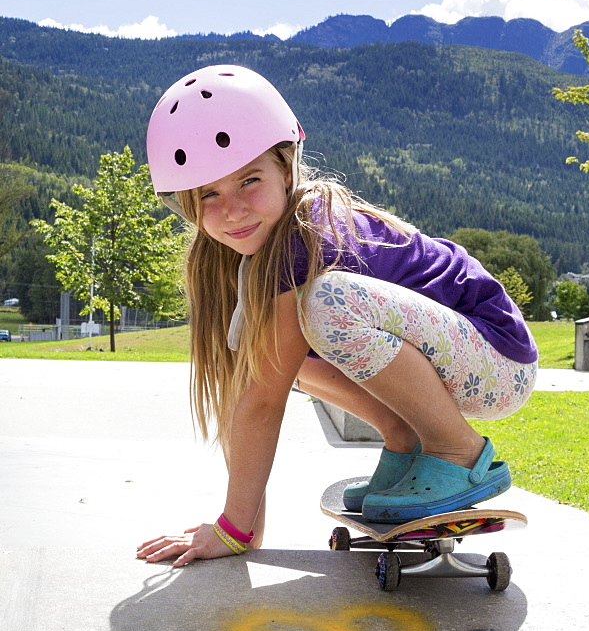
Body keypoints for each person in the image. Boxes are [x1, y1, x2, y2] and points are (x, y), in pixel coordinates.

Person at [137, 65, 538, 568]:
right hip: (458, 361)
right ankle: (404, 438)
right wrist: (244, 527)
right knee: (279, 355)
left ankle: (457, 448)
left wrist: (231, 529)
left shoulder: (307, 235)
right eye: (208, 195)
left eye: (249, 180)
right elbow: (245, 390)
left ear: (286, 168)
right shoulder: (247, 258)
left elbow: (263, 404)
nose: (233, 209)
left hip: (495, 357)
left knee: (324, 305)